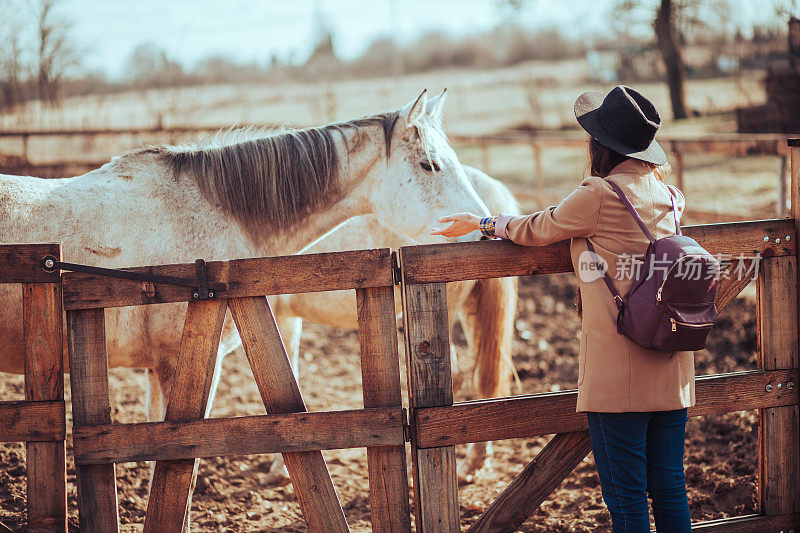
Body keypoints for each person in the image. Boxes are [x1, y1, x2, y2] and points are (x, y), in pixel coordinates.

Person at [432, 85, 693, 532]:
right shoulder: (670, 198)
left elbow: (537, 228)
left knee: (627, 500)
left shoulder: (599, 195)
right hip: (672, 368)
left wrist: (482, 222)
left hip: (619, 375)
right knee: (669, 487)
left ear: (601, 144)